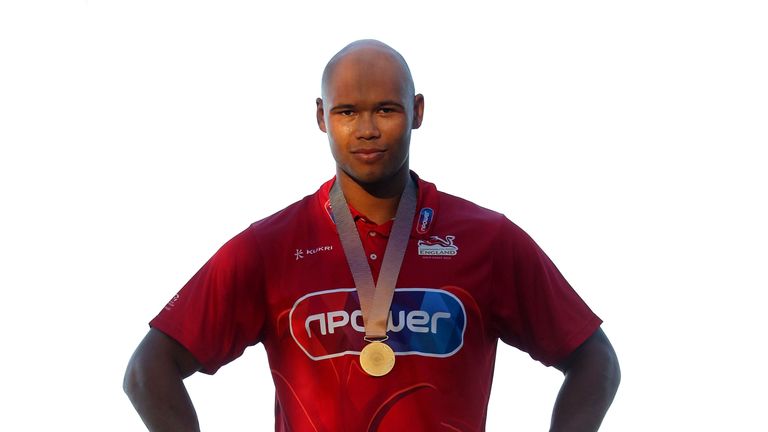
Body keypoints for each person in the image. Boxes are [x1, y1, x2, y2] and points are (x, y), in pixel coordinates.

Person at [123, 39, 620, 432]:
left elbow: (595, 359)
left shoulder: (487, 240)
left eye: (386, 109)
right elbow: (149, 369)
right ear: (321, 117)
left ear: (418, 111)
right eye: (346, 113)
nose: (366, 129)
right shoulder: (269, 247)